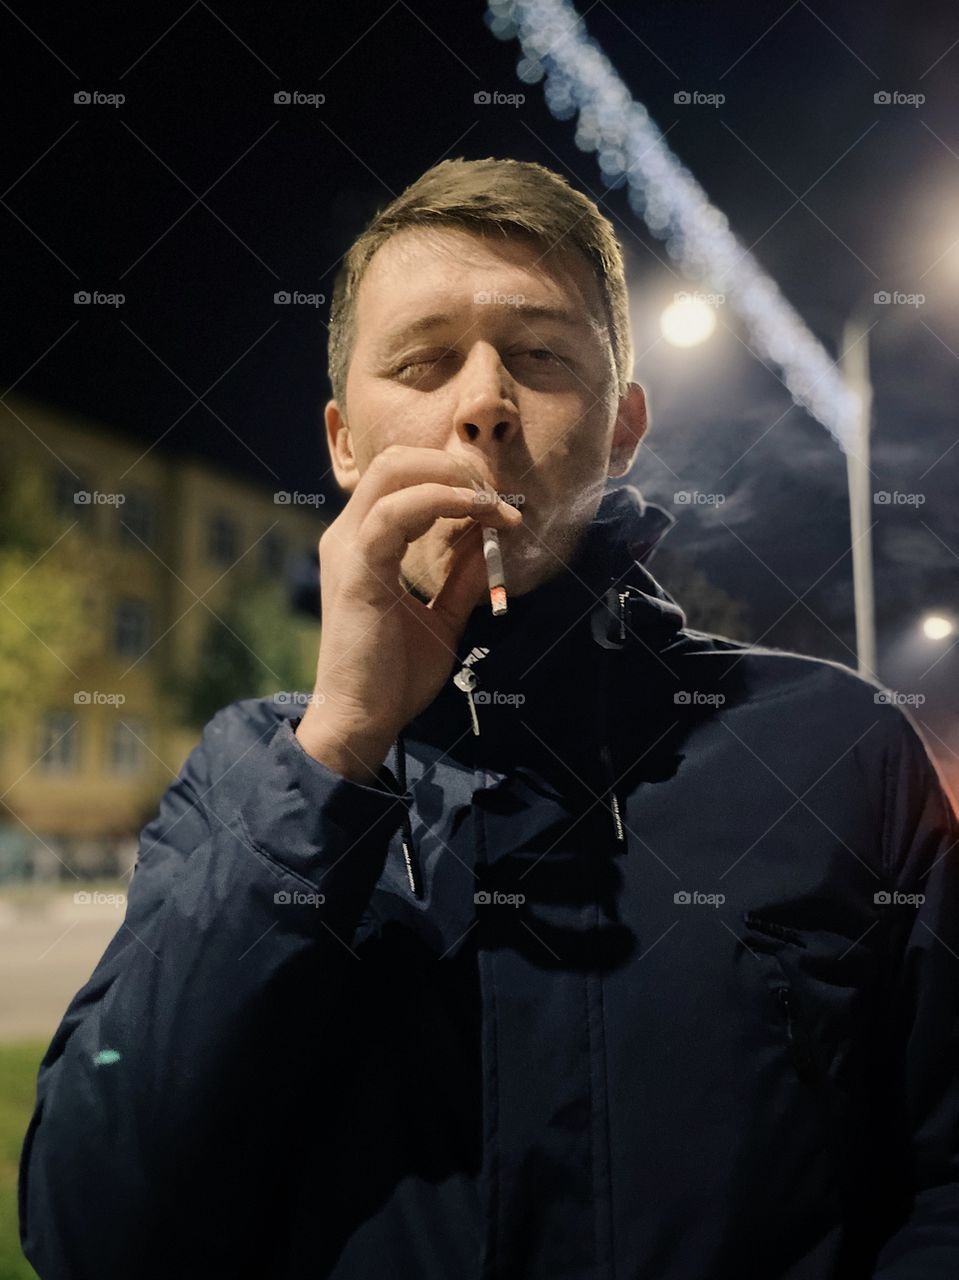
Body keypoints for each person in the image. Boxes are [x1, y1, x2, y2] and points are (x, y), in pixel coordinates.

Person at [19, 157, 959, 1279]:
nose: (480, 404)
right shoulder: (248, 777)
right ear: (342, 442)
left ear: (621, 429)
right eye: (421, 362)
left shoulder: (836, 747)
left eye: (540, 356)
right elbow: (87, 1228)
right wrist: (338, 751)